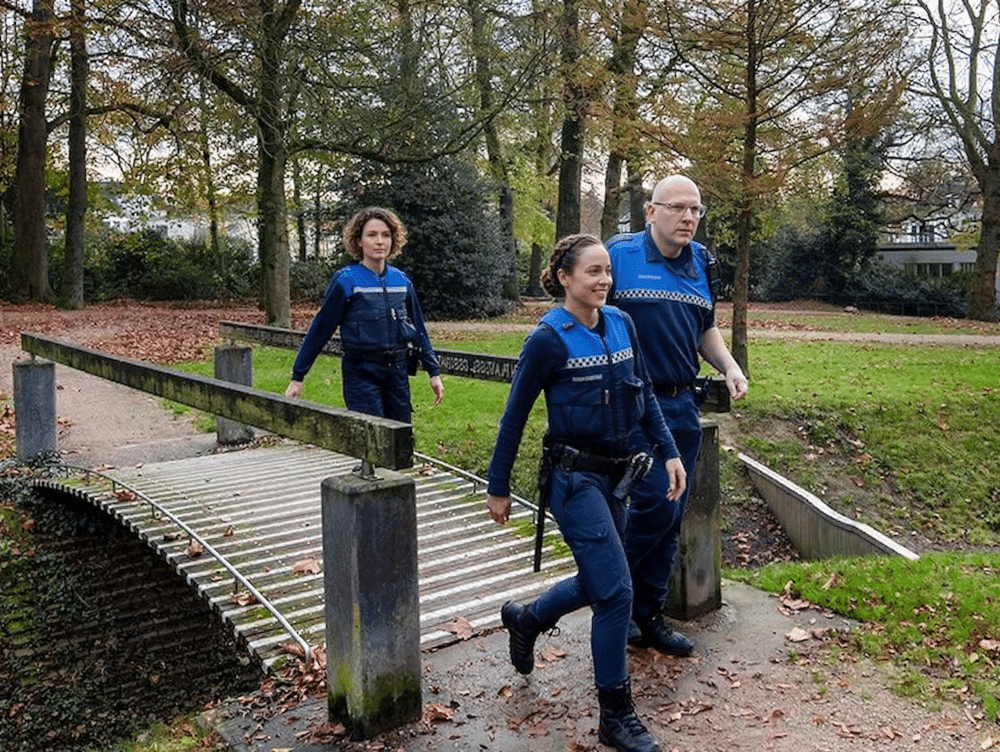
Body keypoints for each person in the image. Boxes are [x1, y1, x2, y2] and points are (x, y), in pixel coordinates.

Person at [486, 234, 686, 752]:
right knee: (616, 591)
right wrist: (498, 486)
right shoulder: (547, 340)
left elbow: (645, 396)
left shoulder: (621, 323)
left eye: (607, 272)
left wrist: (669, 452)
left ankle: (528, 618)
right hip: (573, 481)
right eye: (593, 272)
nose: (605, 281)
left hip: (618, 476)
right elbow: (514, 417)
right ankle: (615, 715)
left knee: (601, 580)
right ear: (565, 277)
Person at [606, 174, 749, 657]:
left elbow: (705, 328)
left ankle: (648, 614)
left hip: (682, 404)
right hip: (632, 407)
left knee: (673, 515)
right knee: (654, 502)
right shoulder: (620, 254)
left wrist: (729, 366)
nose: (688, 217)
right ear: (651, 211)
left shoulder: (702, 262)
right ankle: (609, 594)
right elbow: (587, 313)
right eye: (678, 208)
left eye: (696, 210)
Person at [284, 206, 444, 422]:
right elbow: (321, 329)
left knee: (401, 435)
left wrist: (433, 372)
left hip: (397, 373)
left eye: (386, 235)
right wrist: (298, 376)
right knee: (372, 434)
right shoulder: (346, 280)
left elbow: (419, 329)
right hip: (361, 373)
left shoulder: (402, 281)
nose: (380, 241)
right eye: (372, 235)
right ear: (359, 241)